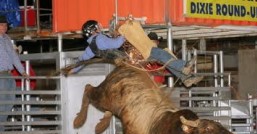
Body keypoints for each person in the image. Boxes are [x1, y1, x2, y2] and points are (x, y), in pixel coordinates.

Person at [69, 20, 202, 87]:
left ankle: (186, 77)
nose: (99, 28)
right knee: (160, 53)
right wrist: (125, 35)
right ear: (93, 30)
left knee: (160, 55)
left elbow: (81, 61)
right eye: (97, 27)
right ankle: (184, 70)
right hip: (131, 56)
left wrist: (71, 70)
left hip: (125, 62)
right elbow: (116, 44)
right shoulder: (99, 38)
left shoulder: (90, 48)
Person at [0, 15, 29, 132]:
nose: (4, 27)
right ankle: (1, 130)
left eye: (5, 25)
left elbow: (13, 56)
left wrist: (22, 71)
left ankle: (1, 126)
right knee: (2, 102)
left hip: (8, 74)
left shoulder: (6, 38)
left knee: (10, 101)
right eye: (1, 25)